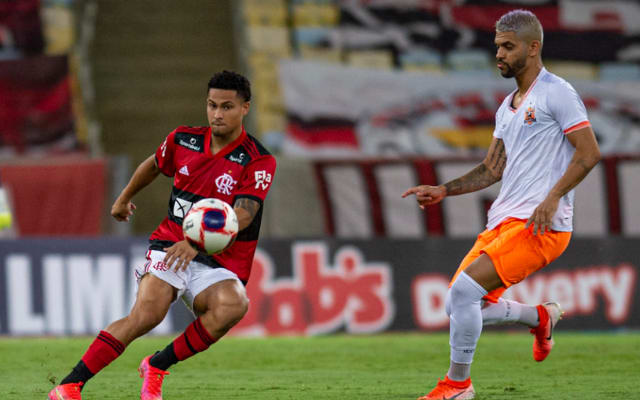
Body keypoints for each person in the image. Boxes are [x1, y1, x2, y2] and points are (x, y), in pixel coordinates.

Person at [402, 10, 601, 400]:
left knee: (463, 294)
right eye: (497, 47)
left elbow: (589, 152)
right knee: (459, 304)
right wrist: (444, 189)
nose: (500, 54)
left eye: (508, 47)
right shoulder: (507, 106)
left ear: (533, 47)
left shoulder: (556, 92)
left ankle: (458, 386)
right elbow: (493, 168)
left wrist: (553, 197)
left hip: (542, 224)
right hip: (504, 221)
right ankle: (539, 316)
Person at [48, 70, 277, 400]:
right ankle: (70, 385)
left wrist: (197, 241)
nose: (217, 114)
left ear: (245, 108)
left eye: (227, 107)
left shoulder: (258, 160)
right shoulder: (183, 139)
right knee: (147, 315)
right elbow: (154, 164)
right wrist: (124, 197)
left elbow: (244, 214)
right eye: (212, 105)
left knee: (233, 306)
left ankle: (156, 365)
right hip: (171, 243)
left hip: (218, 259)